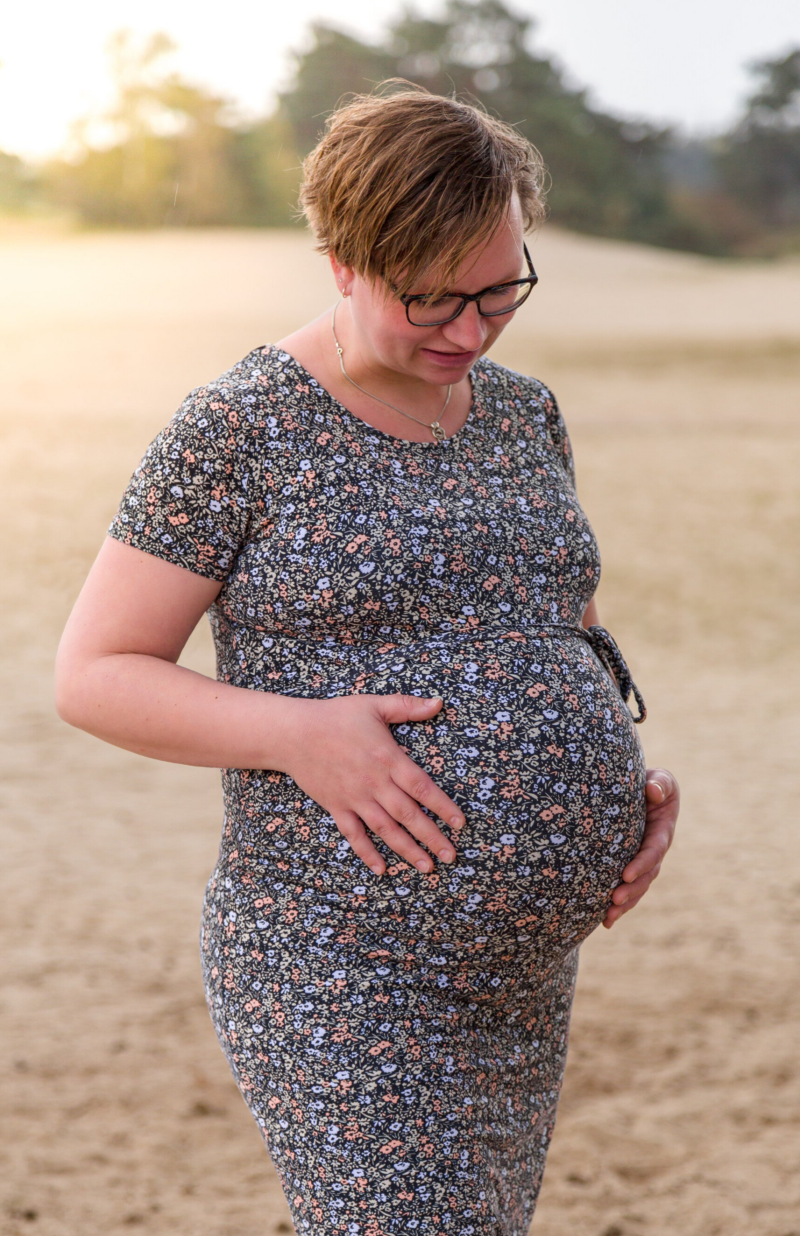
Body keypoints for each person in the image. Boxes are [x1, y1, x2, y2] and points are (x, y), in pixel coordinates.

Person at [56, 86, 679, 1236]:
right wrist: (296, 731)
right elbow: (94, 671)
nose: (469, 329)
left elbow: (556, 625)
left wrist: (615, 789)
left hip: (518, 981)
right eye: (430, 298)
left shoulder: (520, 415)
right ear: (340, 259)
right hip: (340, 963)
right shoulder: (238, 428)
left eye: (501, 290)